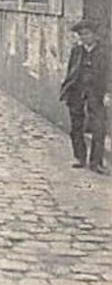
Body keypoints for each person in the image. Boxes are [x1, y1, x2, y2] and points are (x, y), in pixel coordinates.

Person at [59, 19, 109, 174]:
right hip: (76, 91)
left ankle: (96, 162)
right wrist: (67, 89)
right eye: (81, 35)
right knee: (76, 125)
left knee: (98, 126)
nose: (84, 38)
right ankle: (80, 158)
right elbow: (71, 71)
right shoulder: (77, 50)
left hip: (96, 91)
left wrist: (108, 93)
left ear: (94, 34)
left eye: (87, 34)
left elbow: (109, 74)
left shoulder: (105, 51)